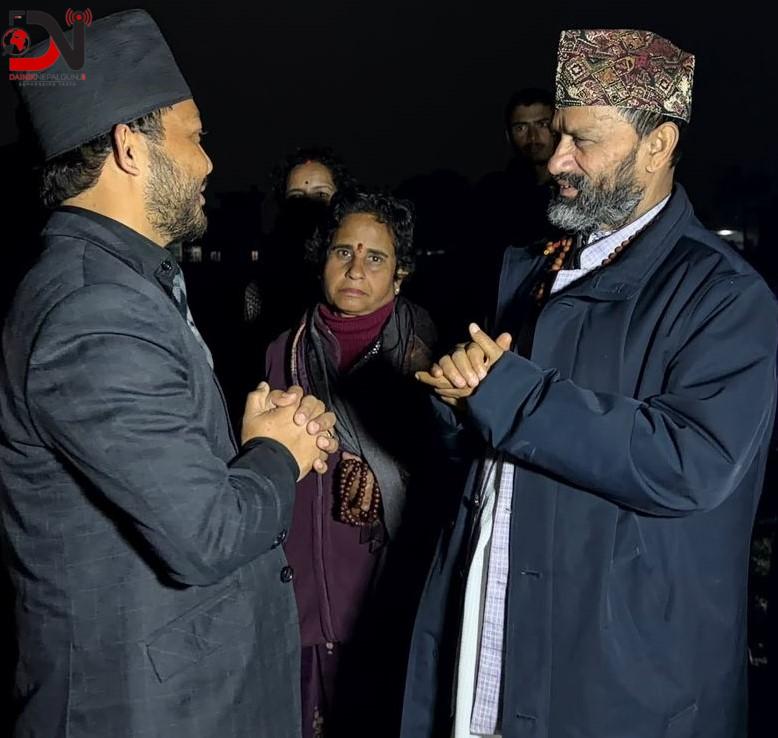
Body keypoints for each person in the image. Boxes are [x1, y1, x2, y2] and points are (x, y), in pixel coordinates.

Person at [402, 29, 778, 738]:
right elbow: (489, 456)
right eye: (557, 134)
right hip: (493, 648)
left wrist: (509, 395)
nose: (556, 160)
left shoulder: (725, 296)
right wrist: (459, 404)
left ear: (659, 145)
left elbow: (692, 463)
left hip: (616, 690)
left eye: (585, 140)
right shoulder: (533, 269)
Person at [0, 10, 338, 738]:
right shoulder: (94, 306)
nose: (209, 162)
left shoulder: (120, 282)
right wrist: (278, 452)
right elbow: (206, 534)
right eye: (194, 136)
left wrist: (255, 437)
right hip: (149, 712)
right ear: (130, 146)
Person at [265, 190, 439, 738]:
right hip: (303, 594)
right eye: (343, 252)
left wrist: (383, 475)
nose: (356, 269)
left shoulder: (427, 354)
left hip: (389, 597)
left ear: (400, 274)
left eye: (375, 257)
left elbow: (446, 472)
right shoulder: (284, 351)